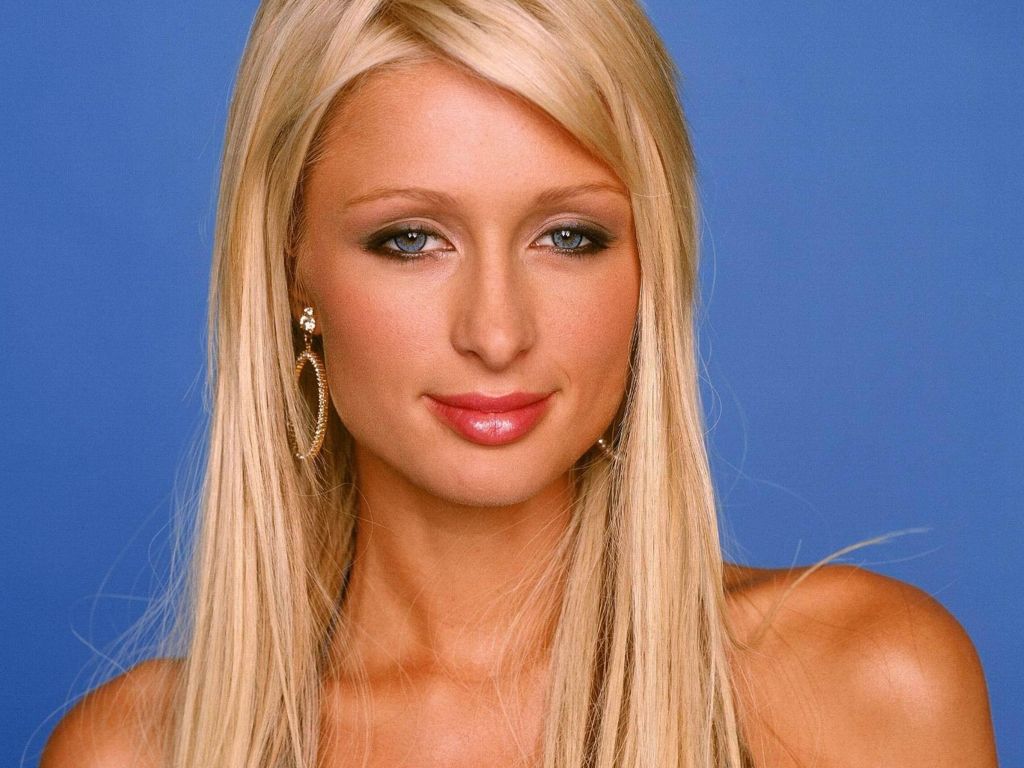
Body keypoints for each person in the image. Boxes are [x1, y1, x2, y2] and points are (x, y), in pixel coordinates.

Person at [41, 1, 998, 766]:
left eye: (568, 237)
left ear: (650, 266)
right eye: (410, 240)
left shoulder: (869, 685)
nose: (497, 333)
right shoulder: (140, 751)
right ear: (293, 270)